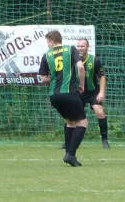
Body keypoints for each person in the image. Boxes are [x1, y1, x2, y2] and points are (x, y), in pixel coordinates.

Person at [38, 31, 87, 167]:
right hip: (68, 93)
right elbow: (81, 67)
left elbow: (43, 79)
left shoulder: (46, 55)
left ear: (52, 41)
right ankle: (70, 154)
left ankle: (68, 153)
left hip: (54, 95)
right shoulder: (70, 49)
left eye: (47, 42)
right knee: (82, 123)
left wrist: (55, 78)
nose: (47, 45)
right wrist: (81, 84)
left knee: (70, 122)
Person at [61, 39, 109, 149]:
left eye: (83, 46)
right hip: (77, 94)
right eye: (78, 46)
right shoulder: (71, 61)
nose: (80, 48)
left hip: (92, 93)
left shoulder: (94, 60)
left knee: (100, 112)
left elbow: (102, 77)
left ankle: (104, 140)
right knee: (70, 118)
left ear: (88, 47)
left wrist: (101, 92)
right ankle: (67, 142)